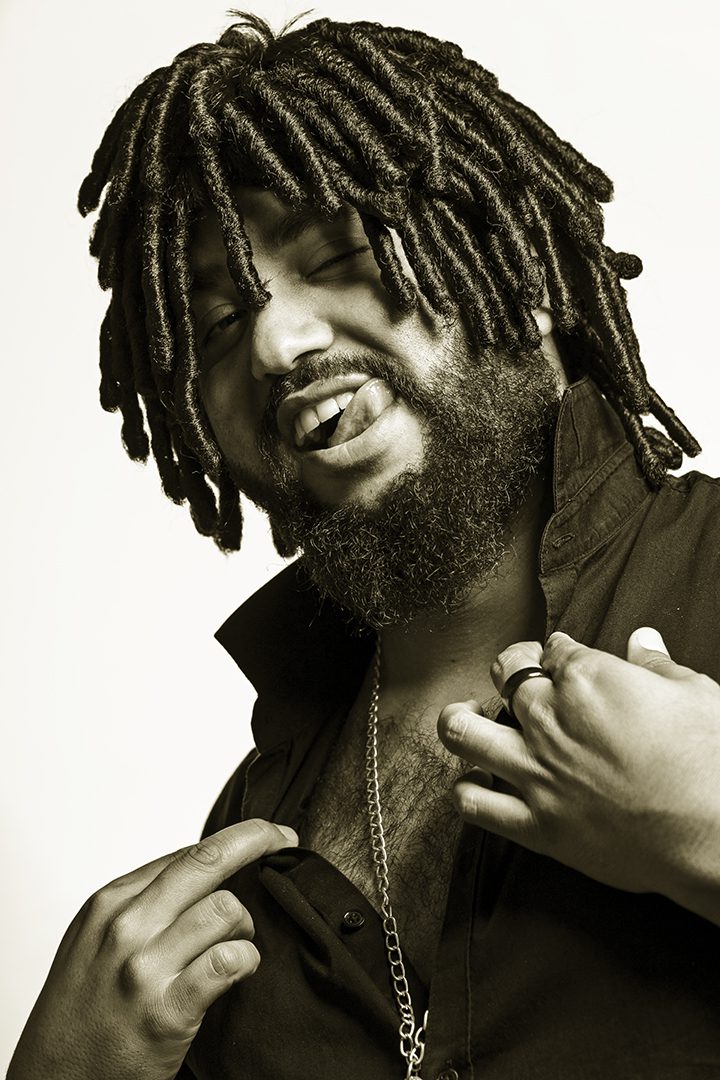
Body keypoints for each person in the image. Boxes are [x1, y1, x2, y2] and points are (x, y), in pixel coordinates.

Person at [8, 12, 720, 1080]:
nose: (276, 341)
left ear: (523, 275)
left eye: (337, 256)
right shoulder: (245, 852)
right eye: (215, 325)